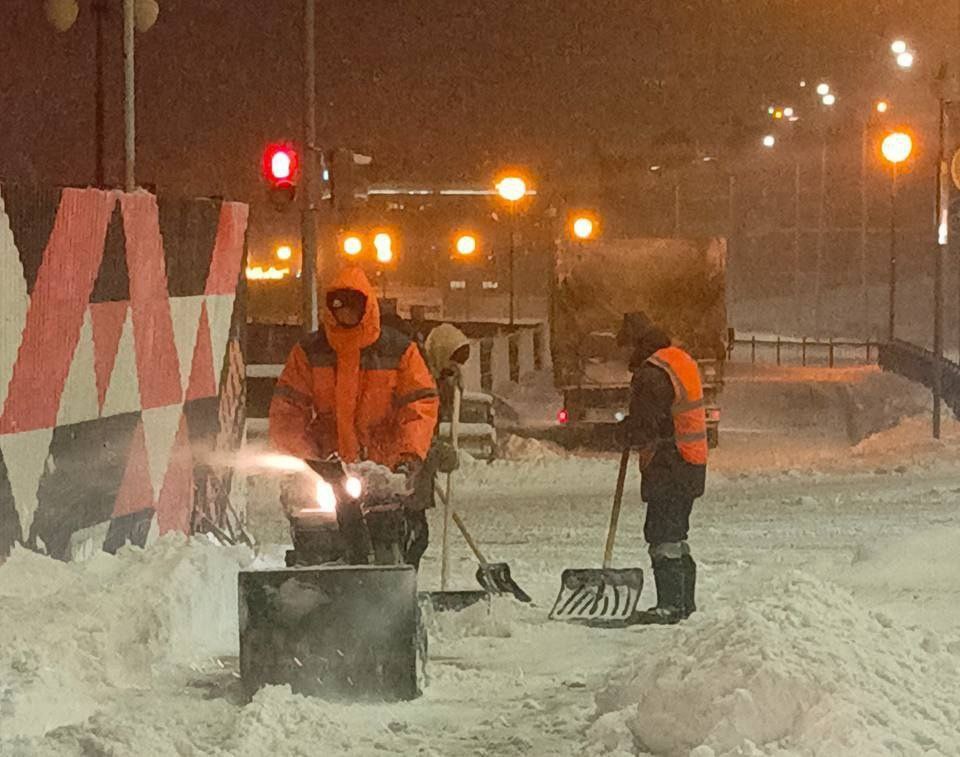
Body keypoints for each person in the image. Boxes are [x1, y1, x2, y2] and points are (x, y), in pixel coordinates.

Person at [269, 266, 439, 566]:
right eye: (338, 307)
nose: (344, 314)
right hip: (325, 473)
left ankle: (392, 600)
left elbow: (418, 408)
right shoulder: (309, 352)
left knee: (391, 548)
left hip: (384, 473)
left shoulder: (399, 351)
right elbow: (288, 411)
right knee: (317, 544)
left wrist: (407, 457)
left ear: (366, 306)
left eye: (351, 307)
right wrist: (306, 460)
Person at [617, 311, 707, 625]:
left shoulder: (651, 373)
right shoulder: (679, 359)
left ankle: (670, 606)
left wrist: (626, 432)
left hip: (670, 462)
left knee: (662, 534)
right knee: (676, 533)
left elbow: (647, 424)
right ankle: (684, 604)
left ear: (637, 344)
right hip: (692, 461)